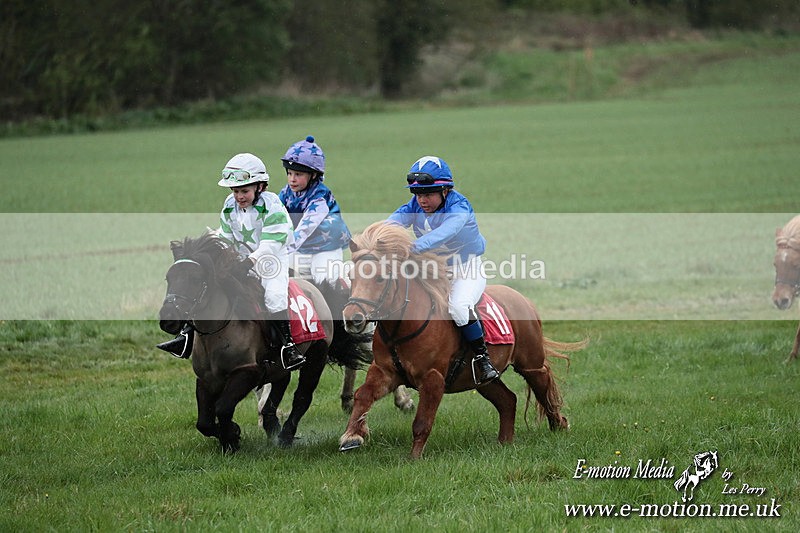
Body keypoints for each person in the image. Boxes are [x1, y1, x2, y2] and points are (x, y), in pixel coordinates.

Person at [157, 153, 305, 370]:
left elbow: (272, 242)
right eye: (235, 191)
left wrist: (250, 263)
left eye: (244, 190)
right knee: (206, 287)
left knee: (274, 297)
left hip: (272, 260)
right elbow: (226, 237)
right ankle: (185, 337)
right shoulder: (229, 205)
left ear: (260, 187)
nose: (239, 196)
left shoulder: (272, 205)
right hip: (241, 259)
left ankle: (287, 347)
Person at [387, 155, 499, 384]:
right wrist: (376, 238)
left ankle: (482, 358)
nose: (422, 200)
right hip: (433, 270)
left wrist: (411, 247)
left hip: (466, 269)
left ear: (445, 190)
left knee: (458, 307)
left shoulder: (460, 208)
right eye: (418, 194)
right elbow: (392, 222)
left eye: (428, 194)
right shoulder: (414, 206)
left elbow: (444, 233)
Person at [278, 136, 351, 292]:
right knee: (285, 277)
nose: (292, 179)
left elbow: (305, 228)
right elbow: (274, 217)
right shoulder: (285, 193)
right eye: (289, 173)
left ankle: (348, 287)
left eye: (298, 174)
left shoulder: (320, 197)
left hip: (327, 246)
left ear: (314, 175)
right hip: (302, 246)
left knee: (326, 282)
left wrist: (283, 247)